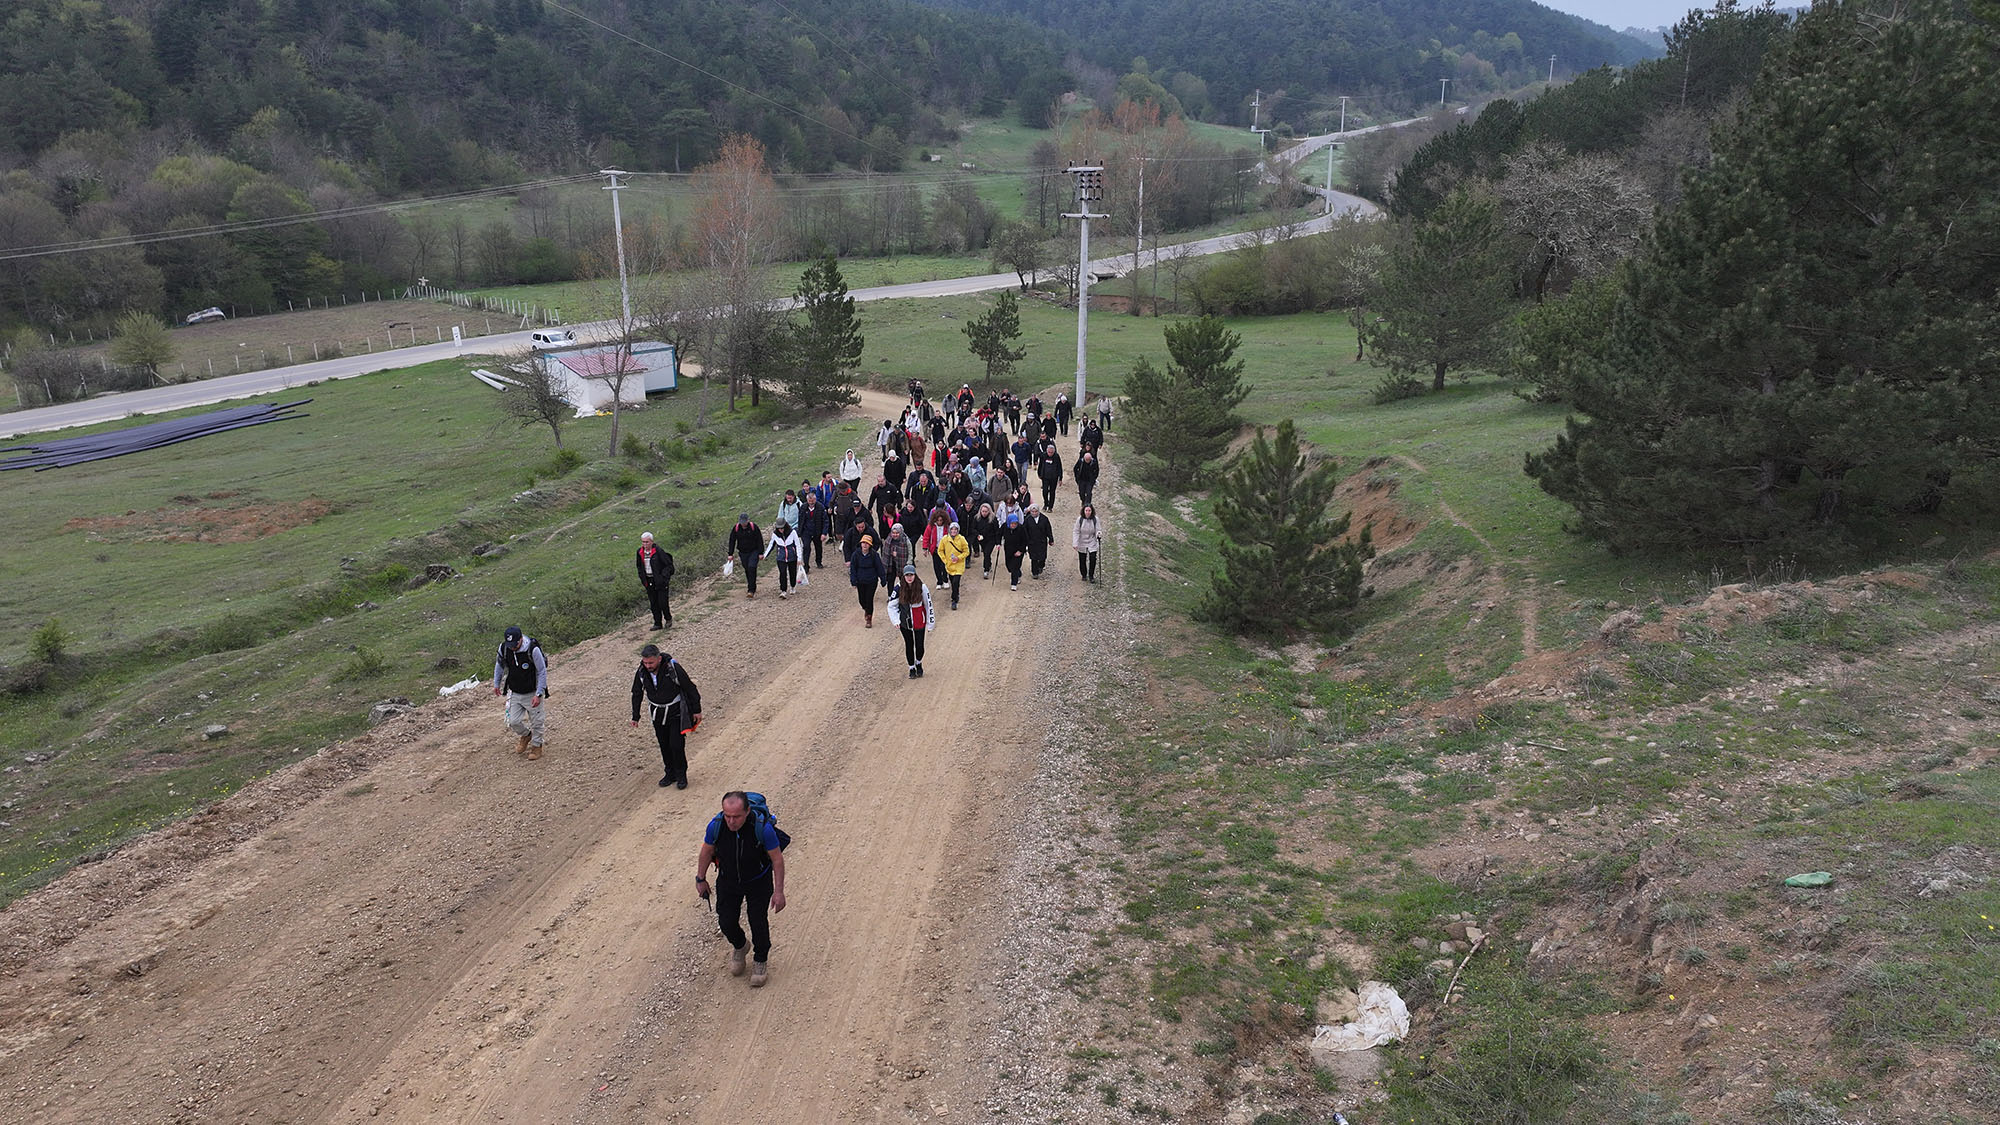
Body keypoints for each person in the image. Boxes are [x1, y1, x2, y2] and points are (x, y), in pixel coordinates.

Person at [695, 791, 787, 988]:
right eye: (727, 815)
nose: (731, 821)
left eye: (736, 816)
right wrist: (700, 879)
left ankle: (760, 960)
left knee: (757, 921)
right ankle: (740, 945)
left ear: (747, 812)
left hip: (757, 882)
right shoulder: (716, 826)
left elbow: (777, 860)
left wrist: (778, 892)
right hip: (728, 881)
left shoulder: (762, 829)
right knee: (726, 921)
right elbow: (706, 852)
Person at [630, 643, 701, 788]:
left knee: (676, 744)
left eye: (650, 662)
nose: (648, 665)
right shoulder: (642, 672)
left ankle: (681, 775)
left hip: (675, 712)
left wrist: (696, 710)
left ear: (659, 659)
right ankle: (670, 773)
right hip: (657, 714)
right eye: (645, 662)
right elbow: (637, 693)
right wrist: (635, 716)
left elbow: (689, 688)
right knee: (664, 745)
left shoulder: (672, 668)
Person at [490, 626, 547, 759]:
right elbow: (499, 665)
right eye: (510, 645)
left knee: (537, 722)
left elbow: (542, 671)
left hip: (532, 691)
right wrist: (496, 683)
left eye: (515, 645)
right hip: (515, 691)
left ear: (521, 639)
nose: (513, 648)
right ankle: (527, 736)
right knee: (513, 721)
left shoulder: (532, 649)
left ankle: (537, 746)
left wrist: (539, 693)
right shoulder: (504, 648)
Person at [885, 564, 935, 677]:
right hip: (905, 622)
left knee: (920, 645)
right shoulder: (898, 588)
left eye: (911, 575)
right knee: (909, 644)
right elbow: (891, 606)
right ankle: (911, 667)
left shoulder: (922, 587)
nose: (909, 577)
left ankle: (919, 662)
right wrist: (896, 620)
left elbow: (928, 605)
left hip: (919, 621)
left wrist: (930, 622)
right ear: (903, 576)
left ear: (915, 575)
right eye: (907, 575)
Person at [634, 531, 675, 630]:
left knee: (663, 602)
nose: (645, 544)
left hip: (660, 581)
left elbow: (668, 565)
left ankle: (668, 619)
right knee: (654, 603)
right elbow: (639, 566)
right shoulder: (639, 552)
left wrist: (663, 578)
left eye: (647, 542)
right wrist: (642, 578)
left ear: (652, 541)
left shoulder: (658, 551)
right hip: (649, 581)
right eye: (643, 542)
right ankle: (657, 623)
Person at [848, 532, 885, 627]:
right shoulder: (856, 554)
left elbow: (879, 567)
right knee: (862, 600)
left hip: (872, 580)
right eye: (863, 543)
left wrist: (883, 579)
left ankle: (869, 618)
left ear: (870, 545)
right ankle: (866, 609)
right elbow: (853, 568)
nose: (865, 545)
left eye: (867, 543)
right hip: (860, 580)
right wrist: (853, 580)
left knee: (869, 599)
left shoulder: (874, 555)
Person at [725, 513, 764, 598]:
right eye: (741, 522)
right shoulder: (736, 528)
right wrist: (730, 554)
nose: (743, 524)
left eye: (744, 522)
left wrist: (761, 552)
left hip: (754, 551)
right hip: (743, 552)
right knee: (747, 569)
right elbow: (732, 540)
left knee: (751, 567)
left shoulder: (754, 527)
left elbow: (759, 540)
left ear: (748, 521)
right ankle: (751, 584)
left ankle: (751, 590)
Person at [762, 519, 804, 598]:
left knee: (792, 572)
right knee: (782, 573)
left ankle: (792, 586)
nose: (781, 530)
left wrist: (799, 558)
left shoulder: (792, 532)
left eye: (782, 528)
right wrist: (765, 555)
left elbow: (798, 545)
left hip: (792, 556)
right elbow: (771, 545)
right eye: (779, 528)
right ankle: (783, 590)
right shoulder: (775, 534)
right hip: (781, 557)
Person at [939, 520, 970, 608]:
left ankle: (954, 599)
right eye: (952, 529)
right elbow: (940, 550)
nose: (953, 531)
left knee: (956, 581)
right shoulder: (945, 539)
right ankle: (956, 593)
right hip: (949, 565)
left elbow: (966, 551)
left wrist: (959, 558)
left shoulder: (962, 539)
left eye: (955, 530)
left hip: (959, 565)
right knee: (953, 582)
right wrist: (945, 560)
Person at [968, 503, 1001, 579]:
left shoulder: (993, 519)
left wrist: (998, 543)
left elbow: (997, 531)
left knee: (986, 553)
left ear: (989, 511)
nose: (984, 513)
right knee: (986, 554)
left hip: (991, 540)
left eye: (986, 511)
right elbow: (973, 528)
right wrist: (977, 535)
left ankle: (986, 570)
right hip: (982, 539)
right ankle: (989, 564)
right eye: (983, 511)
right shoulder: (977, 518)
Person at [1024, 502, 1055, 580]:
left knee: (1042, 557)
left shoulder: (1044, 519)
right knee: (1033, 558)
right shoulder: (1028, 520)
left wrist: (1051, 539)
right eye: (1032, 512)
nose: (1034, 513)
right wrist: (1025, 542)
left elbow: (1048, 530)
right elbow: (1025, 531)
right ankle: (1034, 572)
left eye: (1036, 511)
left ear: (1038, 511)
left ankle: (1041, 566)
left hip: (1041, 541)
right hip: (1032, 542)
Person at [1073, 504, 1102, 583]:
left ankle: (1091, 575)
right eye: (1086, 510)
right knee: (1082, 559)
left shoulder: (1095, 519)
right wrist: (1075, 543)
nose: (1088, 512)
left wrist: (1098, 535)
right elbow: (1076, 531)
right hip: (1082, 541)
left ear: (1092, 511)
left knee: (1093, 558)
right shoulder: (1080, 520)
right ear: (1084, 511)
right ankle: (1084, 574)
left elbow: (1098, 530)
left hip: (1092, 541)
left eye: (1089, 510)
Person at [1001, 509, 1028, 590]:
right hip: (1008, 549)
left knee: (1015, 567)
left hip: (1018, 551)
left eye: (1015, 523)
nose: (1013, 525)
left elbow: (1025, 540)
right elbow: (999, 534)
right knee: (1009, 566)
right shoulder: (1005, 526)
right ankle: (1018, 574)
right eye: (1012, 523)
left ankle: (1014, 583)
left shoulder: (1021, 528)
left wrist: (1020, 551)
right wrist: (998, 543)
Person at [1038, 443, 1064, 511]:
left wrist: (1060, 478)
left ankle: (1050, 507)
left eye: (1051, 452)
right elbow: (1040, 465)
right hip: (1045, 477)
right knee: (1045, 491)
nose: (1050, 453)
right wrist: (1039, 474)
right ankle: (1046, 503)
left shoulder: (1056, 456)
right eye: (1049, 452)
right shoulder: (1043, 455)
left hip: (1054, 478)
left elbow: (1059, 467)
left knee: (1052, 492)